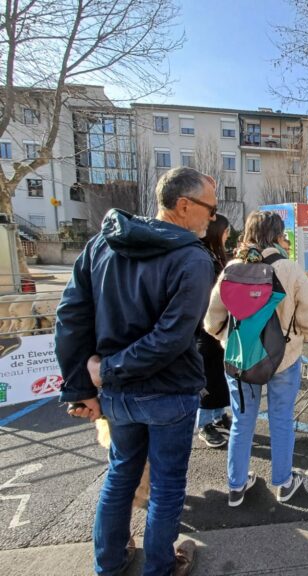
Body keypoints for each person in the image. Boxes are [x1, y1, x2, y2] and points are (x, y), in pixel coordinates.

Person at [55, 166, 217, 576]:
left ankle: (109, 564)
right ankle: (159, 567)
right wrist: (101, 373)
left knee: (121, 475)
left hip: (117, 395)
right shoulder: (191, 258)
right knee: (164, 487)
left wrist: (84, 383)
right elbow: (171, 337)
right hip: (167, 393)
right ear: (184, 205)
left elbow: (71, 316)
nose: (213, 218)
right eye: (210, 209)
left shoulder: (102, 245)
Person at [204, 211, 308, 507]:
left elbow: (211, 322)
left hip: (242, 358)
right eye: (284, 235)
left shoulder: (232, 268)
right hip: (283, 357)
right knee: (281, 420)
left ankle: (236, 487)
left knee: (241, 422)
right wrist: (296, 336)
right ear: (276, 236)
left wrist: (227, 341)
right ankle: (283, 483)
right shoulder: (289, 268)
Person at [197, 214, 232, 448]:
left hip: (219, 329)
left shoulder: (218, 257)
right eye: (226, 230)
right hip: (204, 330)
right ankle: (204, 424)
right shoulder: (203, 259)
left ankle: (218, 415)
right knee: (208, 377)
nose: (228, 234)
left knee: (219, 377)